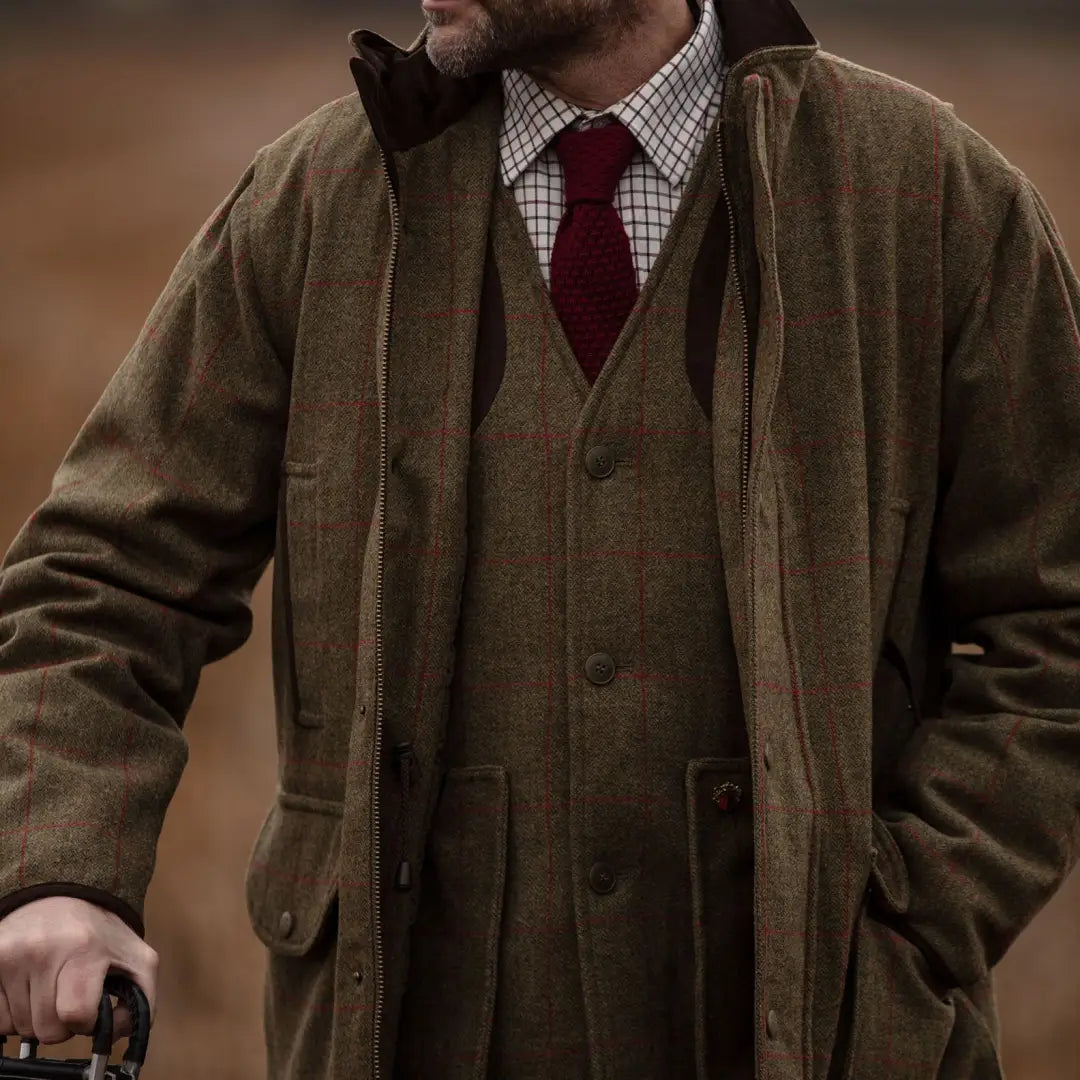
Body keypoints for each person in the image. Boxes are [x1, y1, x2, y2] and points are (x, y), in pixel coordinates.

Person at [1, 0, 1078, 1075]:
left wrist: (906, 917)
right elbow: (103, 576)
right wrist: (62, 866)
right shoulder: (316, 202)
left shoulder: (931, 200)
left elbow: (1058, 627)